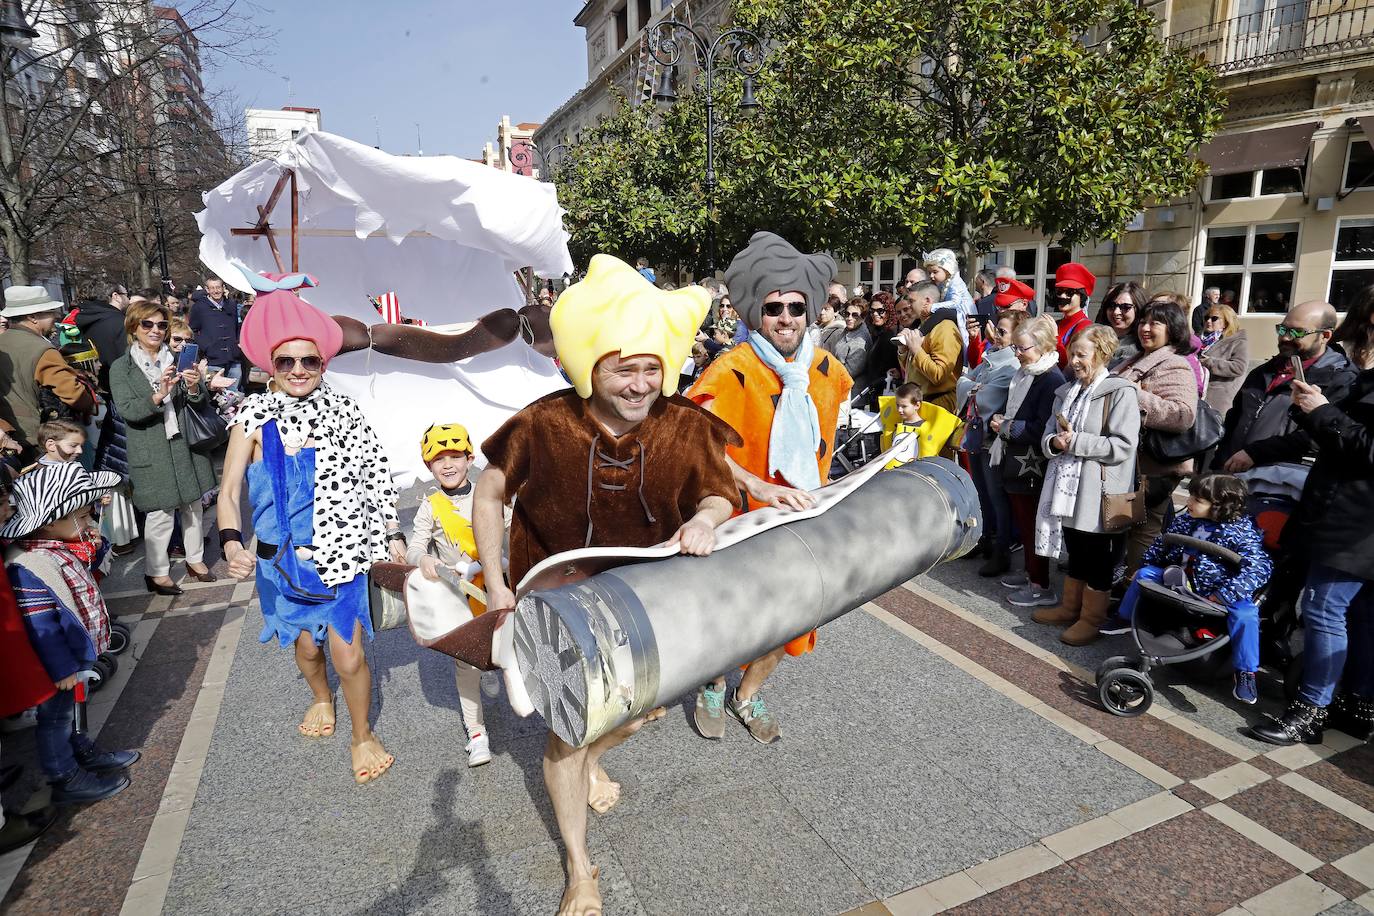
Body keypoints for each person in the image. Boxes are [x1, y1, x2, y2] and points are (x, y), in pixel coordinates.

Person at [472, 255, 738, 916]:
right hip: (554, 601)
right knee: (566, 730)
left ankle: (592, 759)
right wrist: (499, 586)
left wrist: (705, 520)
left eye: (652, 368)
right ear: (592, 364)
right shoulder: (542, 423)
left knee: (639, 711)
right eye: (626, 367)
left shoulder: (683, 423)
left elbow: (720, 494)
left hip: (643, 603)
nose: (641, 383)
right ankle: (580, 868)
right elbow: (488, 495)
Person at [218, 269, 404, 784]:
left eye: (309, 360)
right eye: (286, 360)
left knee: (349, 653)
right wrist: (232, 541)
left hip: (341, 553)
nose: (298, 369)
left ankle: (363, 734)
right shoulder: (251, 417)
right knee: (306, 648)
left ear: (323, 363)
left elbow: (376, 475)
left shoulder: (345, 410)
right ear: (270, 365)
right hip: (282, 562)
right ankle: (321, 699)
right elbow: (229, 491)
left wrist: (392, 534)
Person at [689, 231, 852, 744]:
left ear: (810, 313)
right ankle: (714, 684)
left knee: (790, 620)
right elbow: (701, 445)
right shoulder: (732, 369)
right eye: (774, 307)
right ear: (757, 312)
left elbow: (826, 443)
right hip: (742, 519)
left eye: (796, 308)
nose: (786, 318)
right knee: (731, 615)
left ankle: (747, 694)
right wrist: (757, 483)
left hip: (803, 522)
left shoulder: (829, 372)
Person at [1250, 286, 1374, 745]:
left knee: (1324, 610)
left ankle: (1311, 711)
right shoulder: (1365, 377)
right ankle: (1358, 704)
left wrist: (1324, 412)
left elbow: (1368, 448)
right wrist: (1313, 410)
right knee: (1360, 614)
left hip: (1355, 521)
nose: (1356, 339)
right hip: (1346, 512)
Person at [6, 463, 140, 804]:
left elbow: (83, 567)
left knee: (74, 710)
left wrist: (94, 542)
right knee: (56, 718)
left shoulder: (53, 545)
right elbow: (41, 626)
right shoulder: (28, 565)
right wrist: (63, 667)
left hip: (73, 658)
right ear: (52, 520)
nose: (87, 522)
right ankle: (64, 776)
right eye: (81, 516)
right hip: (58, 665)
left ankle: (81, 750)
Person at [1115, 474, 1271, 703]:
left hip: (1223, 591)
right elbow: (1162, 543)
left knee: (1247, 615)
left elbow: (1259, 568)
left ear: (1220, 507)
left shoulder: (1241, 532)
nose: (1189, 503)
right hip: (1185, 581)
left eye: (1197, 500)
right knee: (1146, 575)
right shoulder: (1187, 520)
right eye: (1191, 497)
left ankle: (1246, 671)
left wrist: (1226, 593)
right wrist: (1149, 563)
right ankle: (1122, 619)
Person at [1029, 325, 1140, 644]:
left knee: (1097, 556)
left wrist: (1075, 441)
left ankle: (1091, 619)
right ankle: (1069, 607)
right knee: (1076, 549)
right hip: (1067, 485)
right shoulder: (1065, 392)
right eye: (1072, 353)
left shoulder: (1120, 392)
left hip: (1101, 490)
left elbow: (1123, 445)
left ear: (1102, 355)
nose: (1074, 360)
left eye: (1081, 354)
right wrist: (1054, 441)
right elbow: (1048, 433)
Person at [406, 422, 502, 768]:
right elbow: (414, 548)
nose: (448, 465)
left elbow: (513, 535)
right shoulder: (430, 506)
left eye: (455, 456)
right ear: (428, 466)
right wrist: (425, 559)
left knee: (511, 651)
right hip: (459, 596)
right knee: (466, 664)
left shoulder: (489, 494)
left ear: (469, 457)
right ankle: (476, 733)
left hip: (496, 588)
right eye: (438, 459)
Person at [109, 301, 217, 595]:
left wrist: (195, 387)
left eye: (161, 325)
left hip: (185, 445)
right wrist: (158, 396)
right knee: (160, 514)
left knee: (193, 505)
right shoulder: (122, 368)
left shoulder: (178, 358)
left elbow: (199, 403)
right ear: (134, 327)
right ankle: (156, 572)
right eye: (148, 324)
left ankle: (195, 561)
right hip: (152, 449)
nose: (156, 330)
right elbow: (129, 411)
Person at [1217, 301, 1356, 475]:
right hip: (1233, 474)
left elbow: (1319, 436)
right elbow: (1235, 418)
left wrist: (1256, 453)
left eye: (1297, 332)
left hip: (1281, 482)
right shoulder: (1262, 372)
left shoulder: (1341, 379)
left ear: (1325, 336)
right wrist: (1219, 462)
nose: (1285, 338)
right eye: (1282, 330)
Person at [1113, 299, 1199, 575]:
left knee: (1142, 533)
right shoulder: (1136, 359)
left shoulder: (1175, 364)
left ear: (1173, 329)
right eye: (1143, 322)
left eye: (1155, 323)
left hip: (1151, 470)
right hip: (1127, 466)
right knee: (1119, 527)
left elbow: (1183, 415)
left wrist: (1133, 394)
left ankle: (1133, 594)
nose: (1145, 328)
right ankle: (1117, 591)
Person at [989, 316, 1065, 608]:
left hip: (1031, 463)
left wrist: (1006, 427)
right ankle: (1031, 572)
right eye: (1017, 348)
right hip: (1018, 459)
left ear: (1043, 347)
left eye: (1023, 349)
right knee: (1025, 520)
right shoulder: (1027, 373)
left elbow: (1041, 427)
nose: (1017, 354)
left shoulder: (1051, 379)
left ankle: (1041, 584)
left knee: (1034, 524)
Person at [962, 310, 1026, 576]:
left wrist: (973, 386)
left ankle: (1001, 549)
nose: (995, 335)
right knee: (979, 490)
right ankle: (983, 537)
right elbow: (964, 383)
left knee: (995, 494)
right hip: (978, 432)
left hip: (993, 438)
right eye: (997, 329)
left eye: (1002, 331)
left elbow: (985, 395)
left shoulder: (1011, 364)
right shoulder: (992, 359)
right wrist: (973, 386)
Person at [0, 287, 96, 460]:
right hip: (37, 436)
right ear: (33, 317)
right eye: (50, 312)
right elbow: (73, 394)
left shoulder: (2, 342)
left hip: (9, 432)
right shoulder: (42, 350)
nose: (56, 317)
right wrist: (89, 400)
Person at [896, 280, 964, 413]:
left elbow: (939, 375)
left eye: (911, 301)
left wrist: (916, 350)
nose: (908, 306)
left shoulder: (945, 328)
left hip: (938, 405)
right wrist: (903, 350)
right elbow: (912, 372)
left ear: (927, 301)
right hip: (919, 403)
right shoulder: (921, 326)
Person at [188, 276, 243, 388]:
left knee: (235, 394)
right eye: (212, 288)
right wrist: (205, 345)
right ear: (207, 290)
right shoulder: (199, 307)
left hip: (233, 357)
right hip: (213, 358)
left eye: (218, 287)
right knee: (217, 394)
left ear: (223, 288)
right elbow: (192, 330)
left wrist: (238, 343)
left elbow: (236, 327)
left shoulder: (232, 304)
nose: (216, 291)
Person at [967, 279, 1035, 368]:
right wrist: (974, 338)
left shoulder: (1034, 332)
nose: (1001, 311)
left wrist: (997, 344)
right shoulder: (999, 327)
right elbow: (976, 365)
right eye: (998, 306)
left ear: (1024, 304)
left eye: (1006, 306)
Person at [1198, 303, 1250, 416]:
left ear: (1226, 322)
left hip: (1220, 398)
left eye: (1214, 318)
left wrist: (1209, 362)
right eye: (1207, 317)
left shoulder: (1238, 341)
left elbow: (1239, 367)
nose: (1208, 321)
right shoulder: (1201, 339)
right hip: (1199, 395)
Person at [923, 248, 976, 347]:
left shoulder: (956, 282)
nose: (931, 275)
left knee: (942, 312)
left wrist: (933, 307)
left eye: (935, 272)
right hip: (956, 315)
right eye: (929, 272)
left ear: (947, 270)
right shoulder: (941, 284)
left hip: (964, 316)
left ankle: (920, 333)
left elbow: (955, 303)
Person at [1048, 263, 1096, 369]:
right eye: (1059, 291)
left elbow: (1071, 364)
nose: (1062, 296)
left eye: (1069, 292)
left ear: (1081, 296)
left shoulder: (1085, 326)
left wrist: (1055, 337)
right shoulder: (1058, 323)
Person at [1097, 281, 1147, 370]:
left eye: (1126, 307)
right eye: (1112, 305)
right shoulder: (1094, 337)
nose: (1116, 312)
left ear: (1138, 308)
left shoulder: (1141, 345)